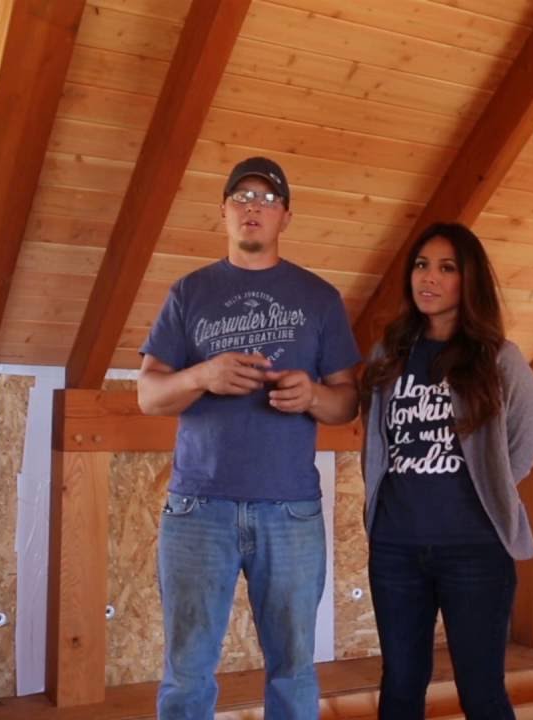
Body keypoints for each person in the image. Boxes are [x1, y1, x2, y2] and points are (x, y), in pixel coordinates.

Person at [138, 157, 362, 719]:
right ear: (224, 213)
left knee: (292, 670)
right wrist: (201, 376)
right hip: (197, 509)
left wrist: (311, 395)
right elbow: (148, 395)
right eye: (241, 196)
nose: (252, 207)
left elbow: (347, 401)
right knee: (187, 672)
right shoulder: (189, 292)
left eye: (266, 198)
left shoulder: (319, 298)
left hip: (290, 511)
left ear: (286, 216)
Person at [360, 222, 533, 719]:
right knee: (400, 685)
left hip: (476, 552)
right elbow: (377, 443)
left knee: (481, 692)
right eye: (422, 265)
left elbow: (524, 442)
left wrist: (493, 484)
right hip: (396, 550)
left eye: (446, 268)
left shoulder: (498, 360)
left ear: (469, 282)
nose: (429, 278)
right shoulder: (387, 356)